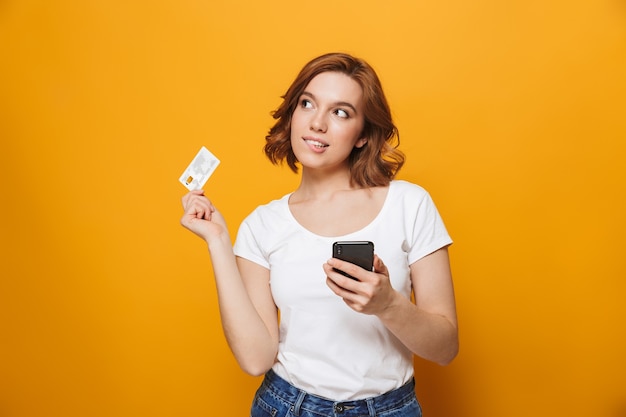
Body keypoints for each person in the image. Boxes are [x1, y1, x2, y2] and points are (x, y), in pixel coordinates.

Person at [181, 52, 458, 417]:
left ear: (363, 135)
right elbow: (255, 358)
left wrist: (387, 304)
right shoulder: (262, 225)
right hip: (286, 406)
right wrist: (217, 241)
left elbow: (445, 347)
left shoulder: (409, 204)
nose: (317, 123)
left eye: (340, 112)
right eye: (308, 104)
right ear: (293, 113)